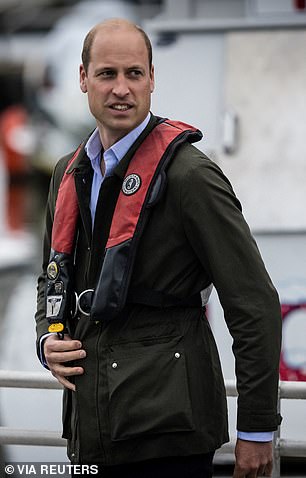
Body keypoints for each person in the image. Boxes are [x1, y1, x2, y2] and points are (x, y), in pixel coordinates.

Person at [35, 18, 282, 478]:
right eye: (107, 74)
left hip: (169, 434)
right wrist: (46, 338)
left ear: (153, 78)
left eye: (134, 73)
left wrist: (257, 428)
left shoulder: (190, 176)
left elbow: (255, 304)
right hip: (94, 429)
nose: (122, 89)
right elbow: (50, 281)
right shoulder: (67, 175)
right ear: (83, 78)